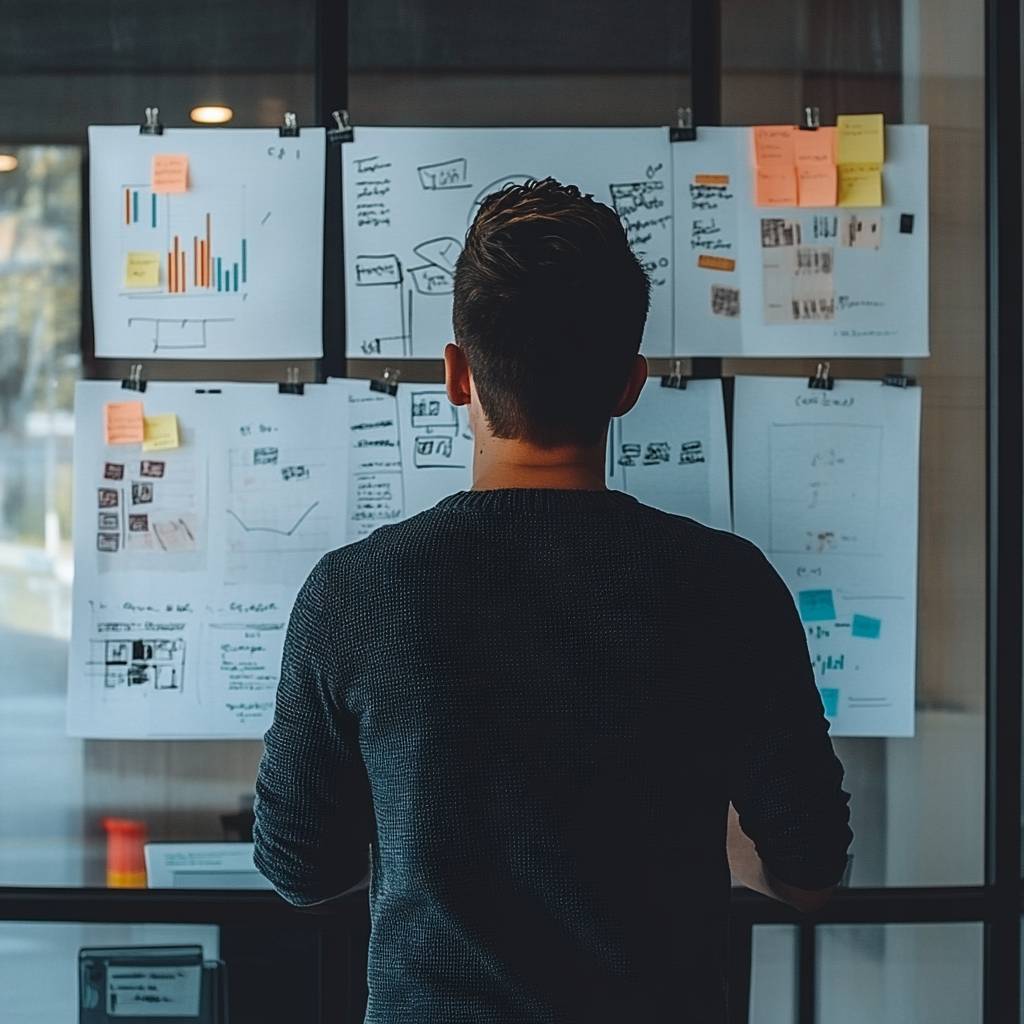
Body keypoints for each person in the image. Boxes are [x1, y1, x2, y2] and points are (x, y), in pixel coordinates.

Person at [253, 177, 853, 1023]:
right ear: (630, 385)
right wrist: (724, 846)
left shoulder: (353, 594)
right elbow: (812, 866)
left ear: (456, 375)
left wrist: (419, 837)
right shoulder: (727, 586)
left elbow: (297, 869)